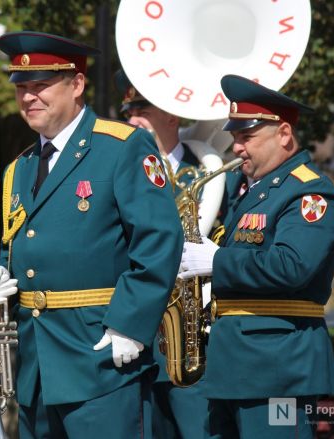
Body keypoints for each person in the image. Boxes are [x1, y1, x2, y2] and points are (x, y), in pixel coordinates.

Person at [0, 31, 182, 439]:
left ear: (76, 84)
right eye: (21, 87)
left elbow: (159, 240)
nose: (28, 97)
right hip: (38, 366)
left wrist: (129, 323)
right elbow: (19, 243)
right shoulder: (18, 169)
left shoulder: (122, 146)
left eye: (40, 86)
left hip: (101, 356)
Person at [178, 74, 334, 438]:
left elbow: (292, 267)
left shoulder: (309, 193)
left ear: (284, 134)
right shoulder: (252, 192)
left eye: (246, 137)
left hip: (279, 368)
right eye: (235, 137)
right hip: (231, 365)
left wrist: (216, 262)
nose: (236, 148)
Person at [115, 69, 212, 439]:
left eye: (141, 110)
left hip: (194, 335)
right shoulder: (121, 170)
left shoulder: (207, 172)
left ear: (172, 114)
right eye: (127, 114)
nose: (131, 120)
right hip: (138, 333)